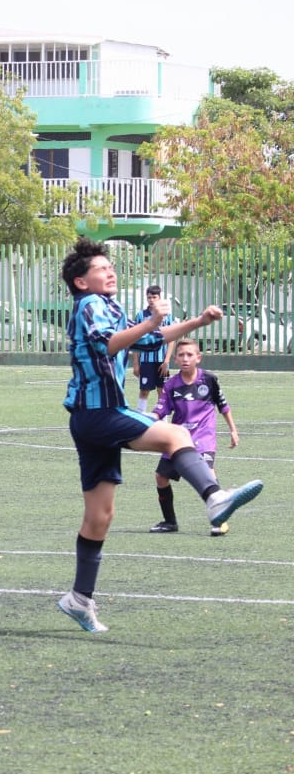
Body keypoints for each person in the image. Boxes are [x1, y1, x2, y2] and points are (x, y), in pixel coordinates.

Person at [56, 237, 263, 634]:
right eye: (100, 268)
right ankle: (214, 497)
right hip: (99, 412)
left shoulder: (108, 305)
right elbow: (108, 346)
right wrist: (151, 320)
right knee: (175, 434)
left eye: (109, 266)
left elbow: (150, 339)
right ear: (81, 282)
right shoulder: (89, 305)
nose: (109, 271)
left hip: (90, 418)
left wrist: (197, 323)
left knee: (100, 516)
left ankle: (79, 598)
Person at [148, 338, 241, 538]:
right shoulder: (171, 384)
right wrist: (148, 420)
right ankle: (170, 522)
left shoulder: (209, 379)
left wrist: (233, 430)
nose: (185, 358)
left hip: (204, 437)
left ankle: (220, 520)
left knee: (208, 471)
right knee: (161, 477)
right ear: (175, 359)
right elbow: (160, 409)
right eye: (181, 355)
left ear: (198, 357)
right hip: (178, 440)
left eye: (190, 355)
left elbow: (223, 405)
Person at [131, 285, 175, 414]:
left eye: (154, 297)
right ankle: (141, 417)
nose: (151, 300)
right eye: (149, 297)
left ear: (160, 298)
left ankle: (163, 419)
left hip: (162, 360)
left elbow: (171, 338)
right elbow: (135, 339)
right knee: (144, 390)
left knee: (162, 390)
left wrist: (167, 361)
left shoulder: (167, 316)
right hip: (146, 360)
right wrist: (135, 364)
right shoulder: (141, 315)